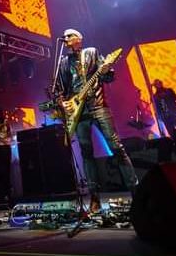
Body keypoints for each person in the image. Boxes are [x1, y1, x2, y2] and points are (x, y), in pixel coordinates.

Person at [54, 28, 138, 213]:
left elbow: (108, 77)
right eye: (65, 37)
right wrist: (64, 104)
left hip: (98, 106)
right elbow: (59, 90)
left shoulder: (91, 52)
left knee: (116, 147)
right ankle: (94, 198)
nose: (66, 38)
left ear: (79, 39)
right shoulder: (63, 62)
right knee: (86, 153)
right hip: (79, 112)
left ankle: (136, 192)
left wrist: (107, 69)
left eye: (70, 35)